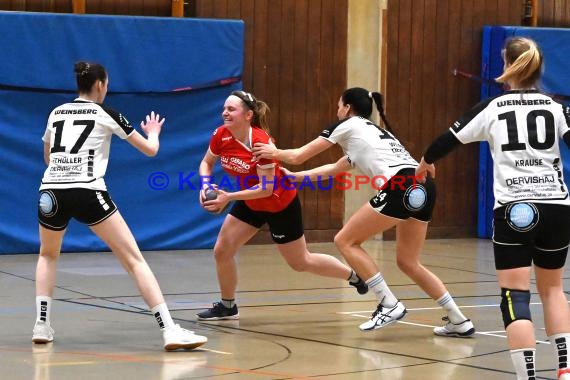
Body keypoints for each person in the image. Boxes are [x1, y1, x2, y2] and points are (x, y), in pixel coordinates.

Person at [252, 87, 475, 336]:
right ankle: (459, 319)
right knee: (408, 262)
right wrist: (294, 178)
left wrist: (274, 153)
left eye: (339, 105)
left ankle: (389, 303)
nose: (337, 111)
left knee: (345, 240)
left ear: (347, 108)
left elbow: (299, 155)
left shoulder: (348, 124)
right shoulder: (373, 134)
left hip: (401, 186)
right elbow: (332, 168)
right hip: (423, 186)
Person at [415, 37, 570, 380]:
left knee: (515, 295)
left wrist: (425, 163)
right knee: (554, 290)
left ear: (506, 64)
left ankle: (527, 377)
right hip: (557, 208)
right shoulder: (556, 108)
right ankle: (566, 370)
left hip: (515, 211)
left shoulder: (492, 108)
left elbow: (445, 141)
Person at [34, 61, 207, 351]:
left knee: (47, 255)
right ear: (100, 85)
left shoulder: (56, 113)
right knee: (133, 259)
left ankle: (41, 324)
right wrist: (153, 132)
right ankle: (169, 330)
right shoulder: (107, 113)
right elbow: (151, 150)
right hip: (88, 190)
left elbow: (48, 157)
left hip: (50, 191)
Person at [195, 90, 368, 320]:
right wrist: (205, 185)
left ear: (248, 115)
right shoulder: (221, 135)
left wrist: (228, 197)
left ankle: (352, 275)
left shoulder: (260, 143)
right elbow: (207, 162)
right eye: (224, 108)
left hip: (279, 202)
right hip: (249, 199)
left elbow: (266, 189)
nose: (224, 113)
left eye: (231, 109)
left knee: (300, 262)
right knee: (222, 251)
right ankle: (228, 306)